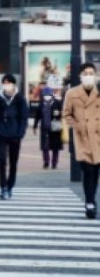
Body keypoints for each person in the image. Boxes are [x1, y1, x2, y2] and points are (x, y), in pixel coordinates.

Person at [63, 62, 100, 219]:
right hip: (82, 138)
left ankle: (91, 199)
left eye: (91, 73)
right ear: (80, 76)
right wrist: (77, 125)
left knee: (96, 171)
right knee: (88, 171)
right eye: (86, 73)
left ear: (96, 75)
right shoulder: (72, 93)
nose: (89, 76)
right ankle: (90, 202)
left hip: (98, 137)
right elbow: (66, 114)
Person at [0, 74, 29, 200]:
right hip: (0, 133)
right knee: (2, 160)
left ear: (14, 84)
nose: (6, 85)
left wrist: (21, 132)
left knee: (13, 162)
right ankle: (2, 187)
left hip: (15, 134)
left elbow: (24, 117)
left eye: (9, 82)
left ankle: (10, 187)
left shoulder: (19, 98)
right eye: (4, 82)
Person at [34, 87, 64, 169]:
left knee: (55, 146)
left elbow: (63, 113)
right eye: (45, 95)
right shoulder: (41, 104)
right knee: (45, 146)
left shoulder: (57, 103)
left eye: (48, 95)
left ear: (51, 95)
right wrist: (35, 126)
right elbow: (37, 116)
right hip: (44, 127)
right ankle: (46, 162)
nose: (47, 96)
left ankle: (54, 163)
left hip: (55, 127)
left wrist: (59, 115)